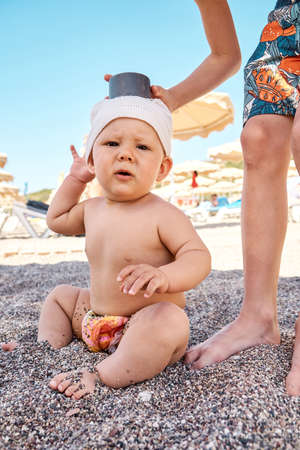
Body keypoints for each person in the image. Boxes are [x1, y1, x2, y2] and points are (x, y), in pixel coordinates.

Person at [38, 95, 211, 400]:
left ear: (162, 168)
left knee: (170, 320)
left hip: (142, 325)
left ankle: (102, 374)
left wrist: (166, 276)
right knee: (60, 297)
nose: (126, 154)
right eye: (112, 144)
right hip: (93, 316)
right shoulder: (91, 208)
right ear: (92, 159)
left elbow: (197, 257)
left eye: (142, 147)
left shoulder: (163, 214)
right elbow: (57, 219)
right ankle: (45, 350)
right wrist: (75, 181)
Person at [185, 0, 300, 397]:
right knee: (260, 137)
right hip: (288, 22)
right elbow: (225, 55)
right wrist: (168, 99)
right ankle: (258, 316)